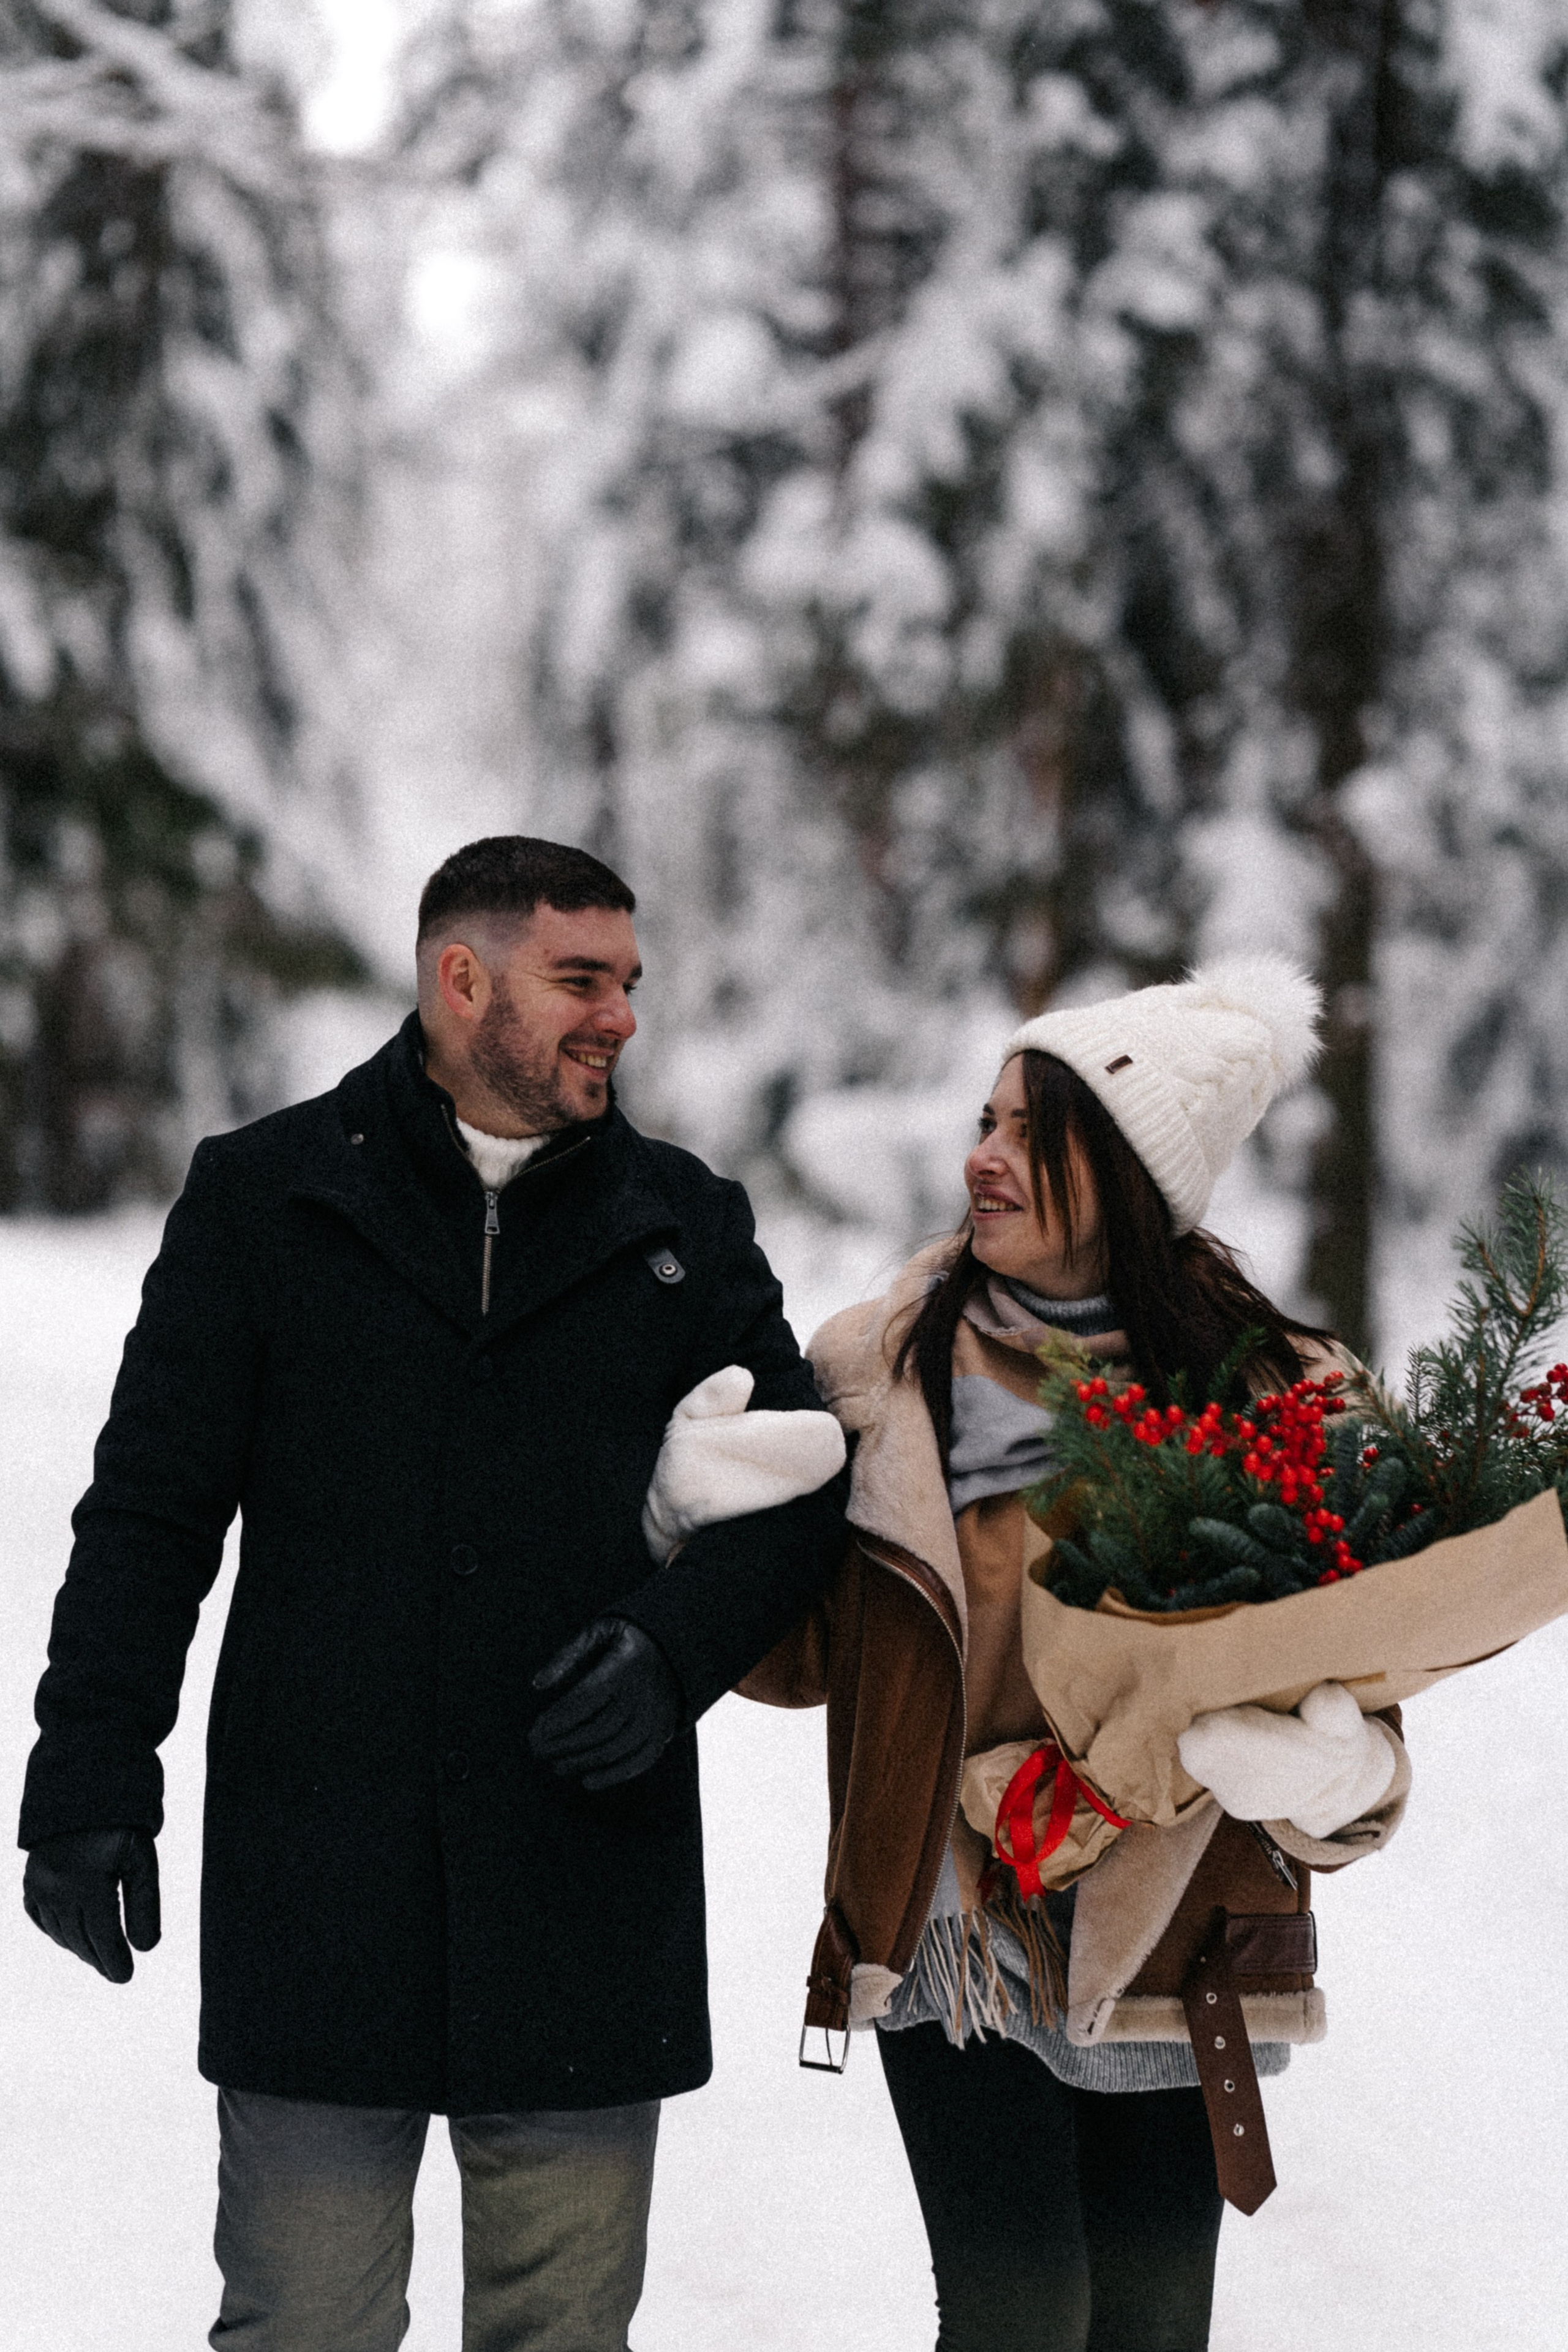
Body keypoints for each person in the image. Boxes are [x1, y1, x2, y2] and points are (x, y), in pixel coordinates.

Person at [19, 834, 847, 2352]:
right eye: (579, 980)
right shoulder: (261, 1200)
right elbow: (147, 1516)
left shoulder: (680, 1224)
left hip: (580, 1890)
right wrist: (86, 1769)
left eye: (629, 984)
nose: (619, 1017)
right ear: (462, 981)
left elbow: (802, 1488)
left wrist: (672, 1658)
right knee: (303, 2327)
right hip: (318, 1887)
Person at [744, 959, 1411, 2352]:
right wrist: (706, 1524)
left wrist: (1328, 1763)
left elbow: (1371, 1710)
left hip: (1171, 1925)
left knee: (1149, 2326)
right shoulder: (881, 1372)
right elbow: (804, 1658)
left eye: (1025, 1136)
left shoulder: (1275, 1401)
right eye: (982, 1123)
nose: (980, 1160)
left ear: (1126, 1176)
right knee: (1019, 2314)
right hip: (953, 1920)